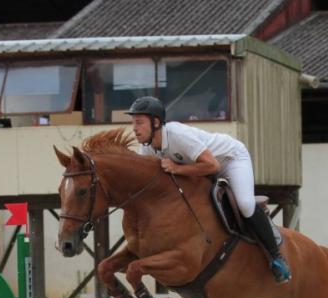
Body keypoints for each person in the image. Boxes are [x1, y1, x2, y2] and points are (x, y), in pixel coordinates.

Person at [125, 96, 291, 283]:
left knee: (245, 204)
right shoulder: (147, 148)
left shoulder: (177, 135)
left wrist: (177, 169)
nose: (134, 128)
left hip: (230, 159)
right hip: (201, 169)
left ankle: (276, 257)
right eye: (133, 122)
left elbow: (212, 166)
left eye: (139, 122)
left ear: (155, 122)